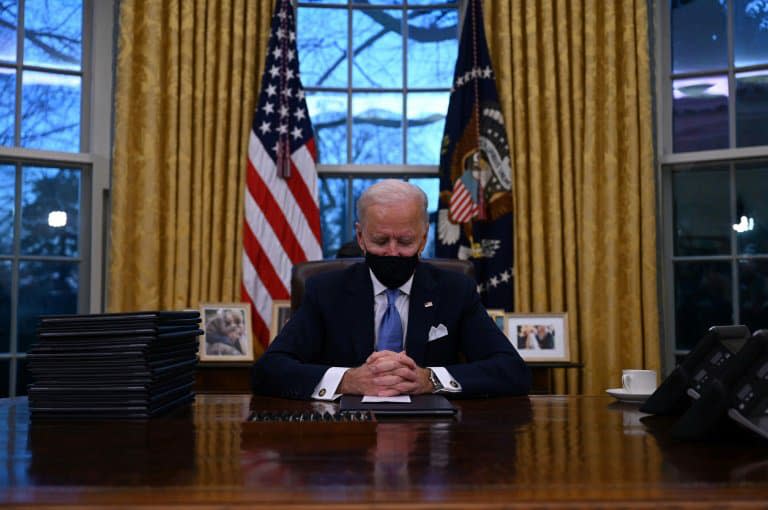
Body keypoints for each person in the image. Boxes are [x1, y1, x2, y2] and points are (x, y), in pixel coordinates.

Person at [251, 179, 531, 399]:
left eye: (405, 241)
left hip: (432, 439)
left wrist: (430, 380)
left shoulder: (455, 290)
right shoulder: (326, 291)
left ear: (423, 238)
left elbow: (512, 370)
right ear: (360, 237)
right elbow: (269, 371)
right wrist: (348, 380)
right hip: (344, 438)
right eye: (380, 240)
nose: (392, 252)